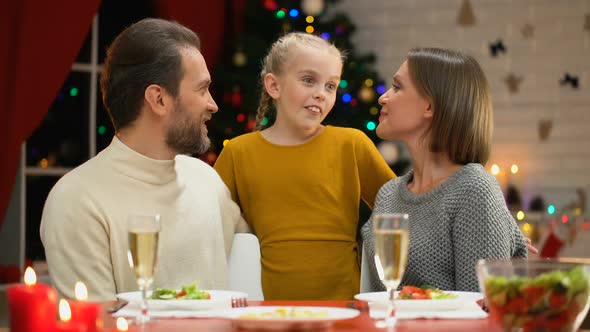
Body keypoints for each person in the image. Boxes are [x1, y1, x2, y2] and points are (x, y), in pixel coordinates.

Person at [40, 18, 249, 301]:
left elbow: (258, 259)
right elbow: (98, 323)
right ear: (159, 99)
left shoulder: (206, 180)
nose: (212, 104)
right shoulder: (77, 199)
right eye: (201, 89)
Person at [213, 32, 395, 300]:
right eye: (309, 80)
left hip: (344, 310)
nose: (321, 94)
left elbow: (402, 209)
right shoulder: (238, 153)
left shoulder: (352, 144)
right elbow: (212, 228)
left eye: (331, 86)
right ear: (274, 86)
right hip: (265, 311)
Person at [362, 47, 528, 292]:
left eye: (397, 87)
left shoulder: (475, 190)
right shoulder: (388, 194)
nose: (383, 98)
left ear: (430, 106)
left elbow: (483, 310)